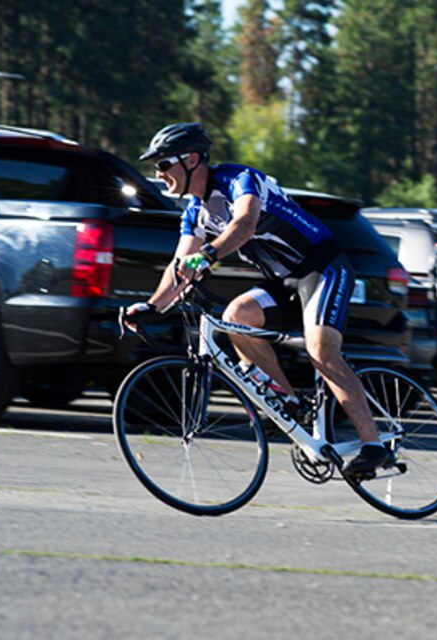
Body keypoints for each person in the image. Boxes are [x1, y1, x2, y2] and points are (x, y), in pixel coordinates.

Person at [121, 122, 387, 479]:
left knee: (321, 350)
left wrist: (210, 254)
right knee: (237, 315)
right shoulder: (193, 214)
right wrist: (152, 306)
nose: (159, 173)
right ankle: (290, 402)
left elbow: (244, 223)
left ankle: (373, 446)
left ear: (193, 160)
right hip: (283, 281)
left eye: (164, 164)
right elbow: (179, 267)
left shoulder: (239, 180)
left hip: (323, 268)